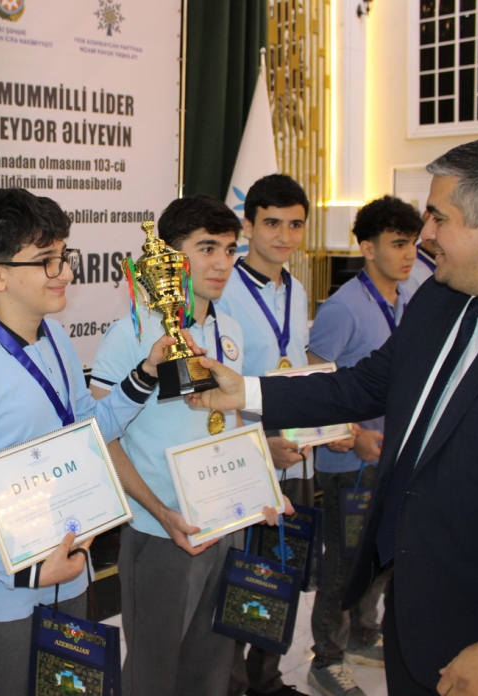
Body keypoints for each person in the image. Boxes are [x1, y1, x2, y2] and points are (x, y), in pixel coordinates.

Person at [186, 135, 478, 696]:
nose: (426, 236)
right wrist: (245, 391)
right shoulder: (442, 296)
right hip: (417, 615)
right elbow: (365, 384)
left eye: (438, 218)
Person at [0, 189, 178, 696]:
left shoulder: (55, 338)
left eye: (64, 255)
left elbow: (89, 432)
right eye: (46, 260)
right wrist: (28, 572)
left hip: (72, 567)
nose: (65, 272)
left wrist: (145, 373)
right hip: (4, 592)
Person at [90, 195, 251, 696]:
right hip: (162, 533)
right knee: (153, 676)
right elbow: (101, 438)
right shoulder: (131, 335)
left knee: (212, 668)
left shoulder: (229, 329)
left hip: (226, 522)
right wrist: (160, 512)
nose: (222, 263)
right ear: (170, 257)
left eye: (230, 249)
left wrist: (259, 487)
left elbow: (232, 421)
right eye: (207, 248)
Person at [305, 196, 423, 696]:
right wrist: (355, 436)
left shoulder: (413, 296)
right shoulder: (343, 307)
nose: (409, 254)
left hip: (396, 455)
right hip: (348, 462)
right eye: (398, 244)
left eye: (413, 243)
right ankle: (326, 658)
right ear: (367, 248)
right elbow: (316, 383)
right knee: (344, 563)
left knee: (383, 554)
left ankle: (363, 634)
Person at [216, 173, 313, 696]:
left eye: (295, 225)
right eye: (272, 223)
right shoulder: (224, 289)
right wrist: (257, 448)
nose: (284, 235)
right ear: (248, 226)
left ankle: (267, 677)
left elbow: (297, 365)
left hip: (293, 443)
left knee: (284, 564)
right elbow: (216, 390)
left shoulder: (296, 289)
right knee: (242, 570)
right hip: (245, 443)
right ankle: (233, 684)